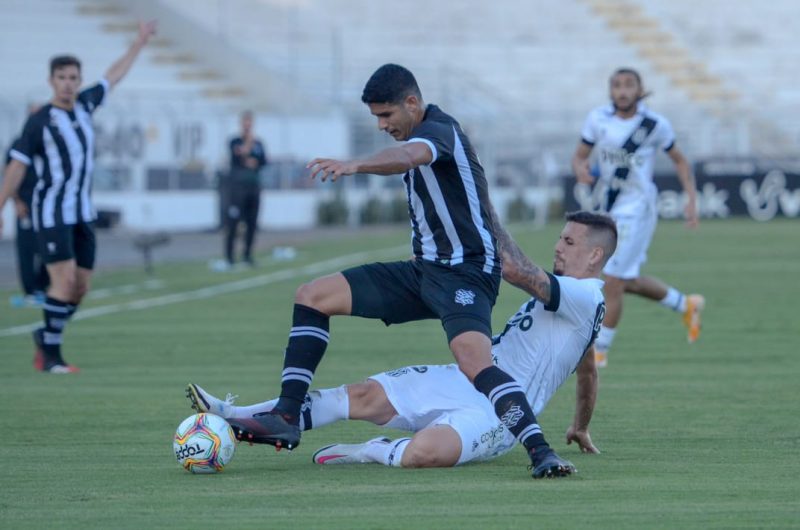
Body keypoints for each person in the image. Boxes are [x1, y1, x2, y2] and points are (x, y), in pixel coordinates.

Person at [223, 63, 573, 478]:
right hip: (422, 273)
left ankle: (542, 451)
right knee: (312, 295)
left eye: (386, 115)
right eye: (375, 118)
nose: (382, 125)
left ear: (412, 103)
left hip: (466, 275)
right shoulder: (415, 131)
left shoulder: (440, 132)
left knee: (474, 362)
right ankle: (285, 415)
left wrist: (355, 165)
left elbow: (409, 157)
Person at [187, 211, 615, 470]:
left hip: (503, 413)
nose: (558, 246)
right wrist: (580, 425)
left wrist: (481, 215)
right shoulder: (578, 307)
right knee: (363, 396)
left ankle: (373, 451)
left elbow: (519, 271)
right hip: (470, 377)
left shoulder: (584, 293)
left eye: (569, 241)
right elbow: (588, 371)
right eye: (561, 237)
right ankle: (233, 413)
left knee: (425, 454)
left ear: (594, 255)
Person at [0, 20, 157, 373]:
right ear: (51, 81)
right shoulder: (39, 121)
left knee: (81, 287)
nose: (68, 83)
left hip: (82, 211)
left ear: (78, 80)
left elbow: (113, 76)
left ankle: (46, 333)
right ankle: (52, 357)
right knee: (64, 280)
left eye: (73, 77)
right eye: (62, 78)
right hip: (52, 212)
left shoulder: (86, 105)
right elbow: (16, 167)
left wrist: (139, 42)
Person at [570, 67, 705, 368]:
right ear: (610, 91)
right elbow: (579, 155)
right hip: (608, 206)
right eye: (617, 85)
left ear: (639, 89)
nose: (622, 90)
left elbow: (681, 162)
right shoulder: (597, 119)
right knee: (623, 278)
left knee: (614, 279)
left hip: (639, 209)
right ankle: (686, 304)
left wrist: (691, 200)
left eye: (629, 85)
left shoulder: (654, 125)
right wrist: (580, 168)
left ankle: (600, 352)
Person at [5, 106, 49, 307]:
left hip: (48, 206)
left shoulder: (51, 142)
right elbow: (10, 174)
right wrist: (16, 201)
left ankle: (43, 287)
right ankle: (30, 291)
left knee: (50, 247)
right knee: (26, 249)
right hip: (26, 205)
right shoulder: (18, 144)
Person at [222, 110, 267, 269]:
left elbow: (262, 162)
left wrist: (251, 160)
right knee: (233, 222)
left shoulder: (259, 143)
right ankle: (229, 257)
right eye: (245, 122)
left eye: (250, 122)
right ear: (241, 124)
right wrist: (248, 146)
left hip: (253, 188)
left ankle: (247, 255)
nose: (248, 125)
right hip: (237, 189)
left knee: (252, 223)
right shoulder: (235, 141)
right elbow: (239, 156)